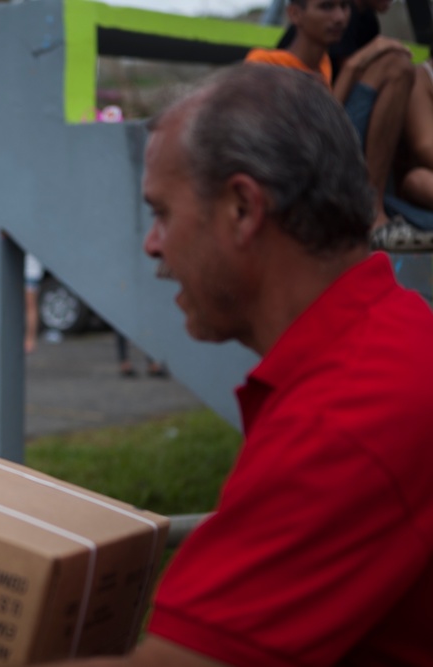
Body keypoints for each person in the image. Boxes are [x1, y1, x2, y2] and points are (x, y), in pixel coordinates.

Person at [24, 66, 433, 666]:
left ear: (243, 207)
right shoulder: (398, 333)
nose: (151, 244)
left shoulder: (342, 417)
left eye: (161, 212)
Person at [253, 0, 414, 233]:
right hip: (300, 183)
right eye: (327, 7)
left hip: (336, 167)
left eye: (344, 7)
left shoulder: (325, 67)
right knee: (396, 67)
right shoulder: (265, 66)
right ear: (295, 15)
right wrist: (354, 67)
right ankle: (372, 209)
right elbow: (307, 146)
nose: (339, 17)